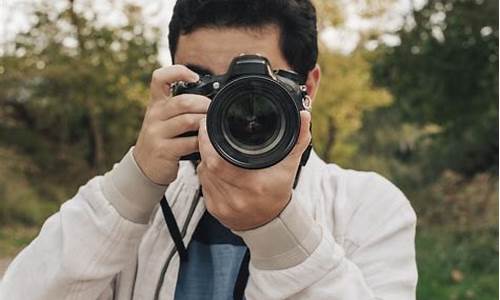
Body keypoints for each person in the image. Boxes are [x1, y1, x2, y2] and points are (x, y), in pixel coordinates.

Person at [0, 0, 418, 299]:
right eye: (204, 85)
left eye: (249, 87)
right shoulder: (141, 204)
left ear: (307, 88)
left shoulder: (369, 207)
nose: (228, 109)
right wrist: (134, 185)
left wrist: (279, 232)